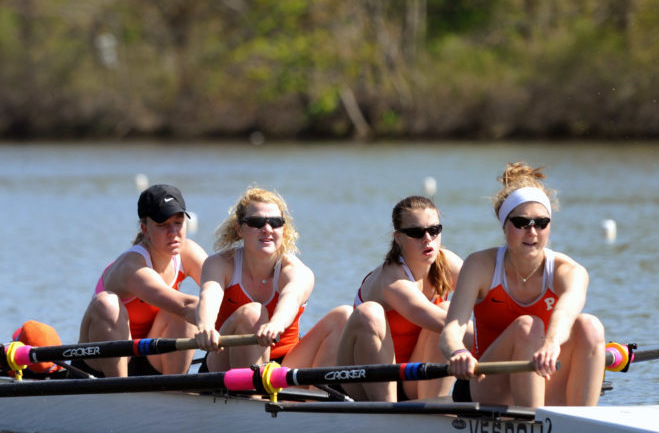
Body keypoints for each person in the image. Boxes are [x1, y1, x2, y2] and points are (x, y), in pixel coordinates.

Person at [440, 163, 605, 408]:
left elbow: (567, 310)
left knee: (590, 326)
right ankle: (535, 427)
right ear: (504, 225)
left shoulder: (569, 270)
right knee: (528, 326)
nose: (532, 231)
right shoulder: (480, 266)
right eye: (521, 222)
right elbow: (451, 330)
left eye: (541, 222)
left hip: (539, 375)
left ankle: (584, 425)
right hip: (486, 383)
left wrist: (551, 344)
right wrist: (458, 353)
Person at [195, 187, 351, 373]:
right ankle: (250, 397)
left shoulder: (297, 271)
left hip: (284, 365)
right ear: (239, 229)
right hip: (224, 361)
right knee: (253, 313)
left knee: (344, 315)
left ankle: (311, 397)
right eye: (257, 222)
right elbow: (209, 295)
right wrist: (205, 326)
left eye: (275, 222)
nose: (267, 229)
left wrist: (276, 324)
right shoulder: (219, 264)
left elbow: (291, 297)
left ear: (283, 230)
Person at [336, 195, 464, 401]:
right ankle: (387, 415)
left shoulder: (447, 263)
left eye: (434, 230)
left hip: (411, 380)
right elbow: (434, 319)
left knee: (448, 310)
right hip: (362, 382)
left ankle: (433, 409)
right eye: (416, 232)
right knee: (371, 312)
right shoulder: (392, 279)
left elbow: (489, 297)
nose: (427, 238)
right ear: (398, 238)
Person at [76, 184, 207, 377]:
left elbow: (224, 292)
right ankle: (120, 396)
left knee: (193, 310)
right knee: (107, 302)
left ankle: (175, 395)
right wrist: (213, 326)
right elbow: (186, 306)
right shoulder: (132, 266)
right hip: (101, 364)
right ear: (145, 229)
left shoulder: (188, 252)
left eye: (178, 222)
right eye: (162, 225)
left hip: (149, 356)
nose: (173, 232)